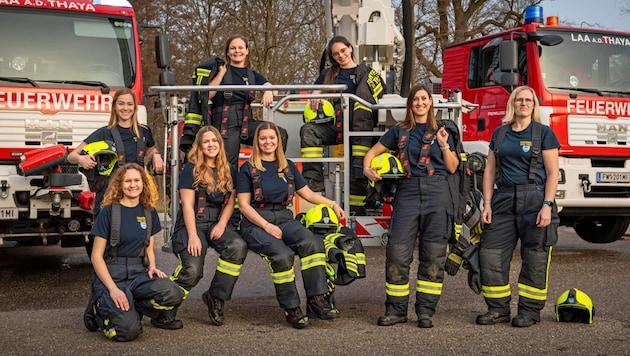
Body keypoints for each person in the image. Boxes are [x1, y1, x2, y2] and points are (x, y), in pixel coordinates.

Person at [363, 84, 459, 328]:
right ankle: (396, 311)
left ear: (430, 102)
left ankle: (426, 311)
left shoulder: (444, 130)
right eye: (415, 99)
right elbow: (373, 151)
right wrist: (367, 168)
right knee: (397, 252)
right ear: (410, 104)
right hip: (407, 192)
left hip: (438, 192)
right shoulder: (398, 131)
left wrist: (444, 144)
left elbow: (453, 167)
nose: (419, 103)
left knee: (434, 256)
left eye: (424, 98)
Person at [69, 88, 164, 331]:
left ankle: (133, 300)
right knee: (105, 253)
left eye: (129, 104)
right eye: (120, 104)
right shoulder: (104, 133)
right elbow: (72, 154)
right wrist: (81, 160)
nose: (125, 108)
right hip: (109, 201)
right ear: (115, 107)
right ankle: (99, 301)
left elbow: (152, 149)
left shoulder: (143, 133)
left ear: (134, 107)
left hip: (136, 198)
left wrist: (156, 157)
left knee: (137, 249)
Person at [236, 121, 345, 329]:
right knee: (282, 255)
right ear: (257, 142)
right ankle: (292, 308)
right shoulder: (247, 169)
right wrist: (266, 226)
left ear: (278, 140)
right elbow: (243, 206)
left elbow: (308, 194)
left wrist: (331, 203)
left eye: (272, 138)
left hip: (285, 219)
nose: (268, 142)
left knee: (312, 243)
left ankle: (316, 301)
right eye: (263, 138)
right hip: (256, 223)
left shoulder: (288, 166)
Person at [475, 85, 559, 328]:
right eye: (519, 99)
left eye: (528, 100)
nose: (524, 103)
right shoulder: (500, 134)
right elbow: (489, 171)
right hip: (502, 200)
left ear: (534, 106)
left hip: (535, 199)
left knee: (535, 256)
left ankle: (529, 312)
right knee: (490, 254)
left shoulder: (544, 133)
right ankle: (498, 309)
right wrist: (487, 203)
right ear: (513, 104)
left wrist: (547, 205)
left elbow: (553, 174)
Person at [89, 163, 184, 341]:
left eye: (136, 180)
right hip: (113, 274)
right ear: (119, 184)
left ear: (143, 183)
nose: (133, 185)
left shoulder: (149, 212)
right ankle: (100, 309)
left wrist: (152, 267)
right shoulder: (108, 212)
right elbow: (96, 256)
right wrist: (113, 289)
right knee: (128, 332)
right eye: (127, 181)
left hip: (137, 273)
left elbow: (149, 247)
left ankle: (134, 306)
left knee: (173, 293)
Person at [167, 126, 247, 326]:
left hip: (216, 224)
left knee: (237, 247)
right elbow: (187, 205)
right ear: (200, 146)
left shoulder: (229, 169)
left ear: (220, 144)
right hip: (192, 224)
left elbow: (230, 201)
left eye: (214, 141)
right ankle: (165, 307)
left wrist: (222, 224)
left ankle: (216, 297)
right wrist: (193, 235)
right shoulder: (190, 169)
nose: (211, 145)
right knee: (193, 269)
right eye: (206, 141)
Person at [300, 35, 384, 214]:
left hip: (360, 129)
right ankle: (314, 181)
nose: (341, 56)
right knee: (308, 131)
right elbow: (315, 89)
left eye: (343, 51)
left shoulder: (367, 73)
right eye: (336, 54)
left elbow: (376, 95)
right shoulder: (329, 74)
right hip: (336, 126)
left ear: (350, 48)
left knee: (357, 169)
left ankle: (356, 209)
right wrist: (316, 95)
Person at [201, 34, 288, 168]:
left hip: (247, 121)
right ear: (228, 53)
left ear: (247, 51)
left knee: (279, 134)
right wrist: (221, 73)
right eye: (233, 48)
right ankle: (231, 188)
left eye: (241, 48)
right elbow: (207, 94)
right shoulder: (220, 71)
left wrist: (268, 91)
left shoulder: (252, 75)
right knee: (229, 164)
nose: (237, 51)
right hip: (225, 123)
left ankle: (269, 172)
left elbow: (272, 89)